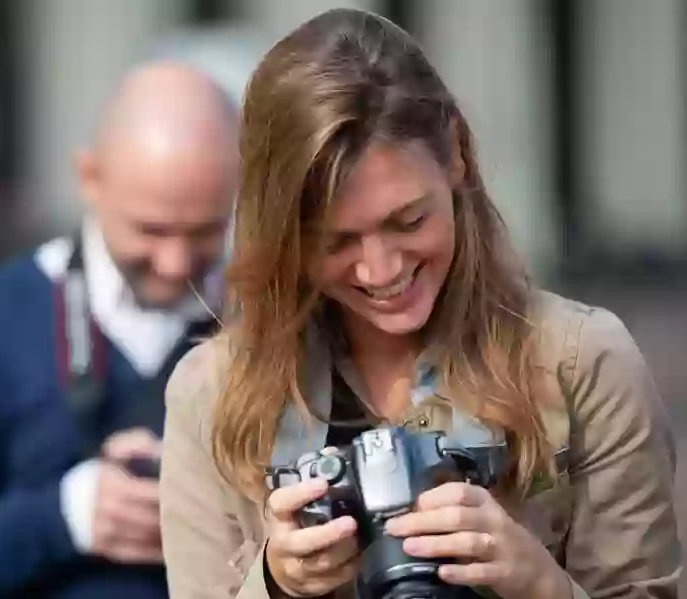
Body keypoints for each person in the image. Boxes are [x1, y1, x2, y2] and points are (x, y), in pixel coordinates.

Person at [159, 9, 681, 599]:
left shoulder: (583, 363)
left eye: (408, 221)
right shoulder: (212, 394)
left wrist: (536, 581)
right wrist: (277, 582)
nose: (381, 270)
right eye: (336, 242)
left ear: (456, 155)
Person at [0, 61, 238, 599]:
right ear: (90, 178)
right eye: (151, 229)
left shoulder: (269, 319)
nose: (174, 262)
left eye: (206, 229)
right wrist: (69, 515)